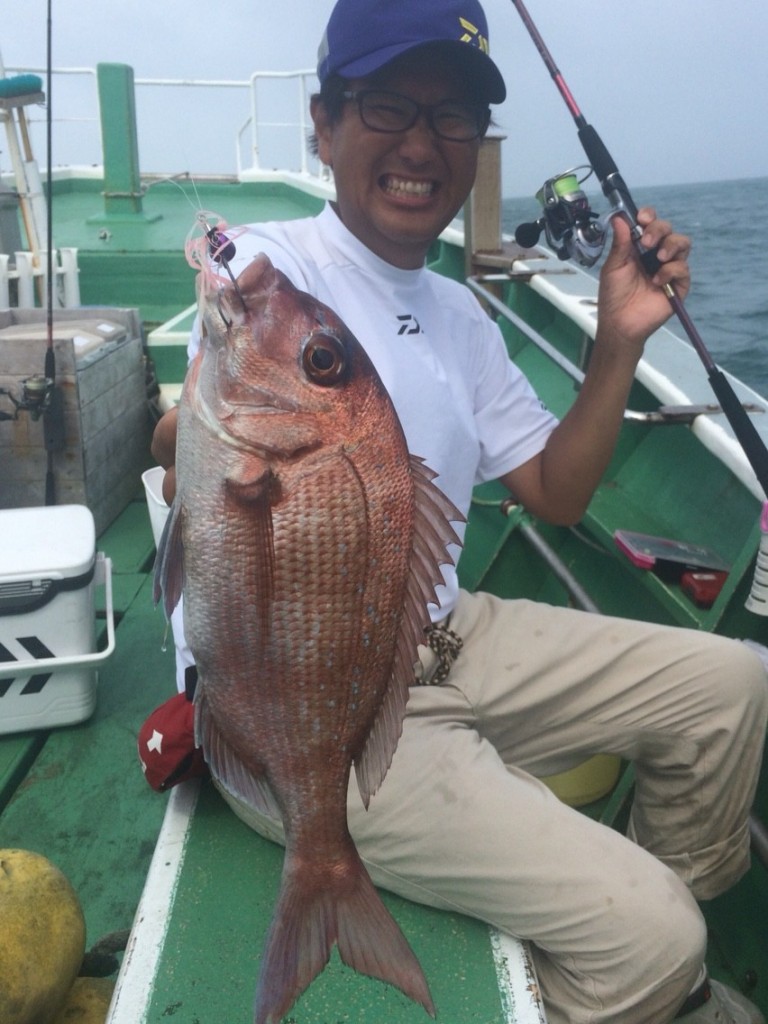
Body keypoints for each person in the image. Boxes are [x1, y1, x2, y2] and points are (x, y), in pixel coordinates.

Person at [149, 1, 768, 1021]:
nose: (422, 144)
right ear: (323, 123)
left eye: (455, 121)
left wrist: (618, 339)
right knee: (657, 934)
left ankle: (657, 981)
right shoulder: (275, 269)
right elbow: (187, 442)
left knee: (735, 684)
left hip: (444, 634)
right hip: (304, 706)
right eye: (389, 104)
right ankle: (651, 955)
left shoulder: (462, 314)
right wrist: (192, 438)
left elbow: (557, 495)